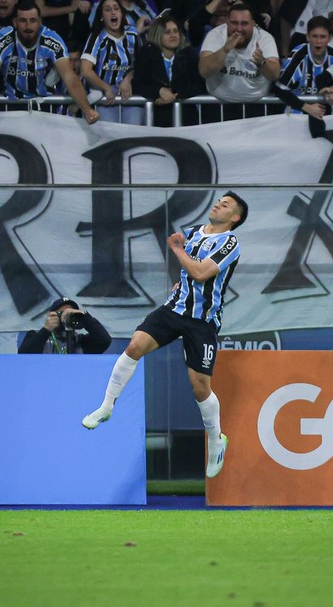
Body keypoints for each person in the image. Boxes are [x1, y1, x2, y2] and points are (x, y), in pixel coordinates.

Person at [81, 191, 248, 480]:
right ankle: (106, 407)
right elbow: (188, 273)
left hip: (202, 320)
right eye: (219, 200)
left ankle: (215, 440)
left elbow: (200, 273)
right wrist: (178, 280)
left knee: (199, 387)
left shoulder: (230, 242)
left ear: (235, 218)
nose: (219, 203)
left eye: (227, 204)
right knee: (135, 346)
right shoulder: (194, 232)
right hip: (174, 309)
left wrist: (177, 250)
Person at [0, 0, 101, 121]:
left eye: (33, 21)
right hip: (11, 107)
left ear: (40, 22)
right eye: (23, 21)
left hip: (43, 106)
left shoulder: (52, 40)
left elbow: (70, 77)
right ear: (14, 22)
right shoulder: (2, 39)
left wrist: (87, 110)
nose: (28, 26)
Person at [198, 1, 281, 121]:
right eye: (234, 23)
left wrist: (262, 62)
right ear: (227, 22)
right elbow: (204, 71)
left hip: (256, 109)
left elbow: (275, 74)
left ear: (253, 23)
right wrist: (225, 50)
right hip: (218, 107)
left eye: (244, 23)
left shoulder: (265, 39)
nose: (239, 28)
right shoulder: (215, 35)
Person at [133, 12, 205, 127]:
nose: (173, 35)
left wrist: (173, 95)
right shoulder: (146, 54)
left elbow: (199, 84)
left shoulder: (189, 54)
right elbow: (138, 84)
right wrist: (158, 91)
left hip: (186, 118)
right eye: (167, 32)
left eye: (176, 31)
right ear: (158, 34)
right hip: (155, 119)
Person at [79, 0, 142, 123]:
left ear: (121, 13)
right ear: (102, 16)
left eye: (116, 8)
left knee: (132, 135)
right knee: (110, 136)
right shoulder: (96, 37)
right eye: (107, 10)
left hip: (129, 93)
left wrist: (128, 78)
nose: (113, 12)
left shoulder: (132, 34)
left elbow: (141, 64)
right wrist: (106, 88)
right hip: (104, 95)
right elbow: (85, 70)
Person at [272, 15, 333, 119]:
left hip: (325, 116)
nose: (318, 41)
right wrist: (307, 108)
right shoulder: (298, 55)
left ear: (330, 38)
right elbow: (279, 90)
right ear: (307, 36)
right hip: (296, 115)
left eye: (322, 36)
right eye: (314, 36)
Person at [17, 296, 111, 354]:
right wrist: (46, 330)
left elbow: (104, 340)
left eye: (71, 314)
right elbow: (23, 356)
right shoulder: (37, 337)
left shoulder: (82, 342)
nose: (66, 316)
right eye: (61, 313)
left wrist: (85, 316)